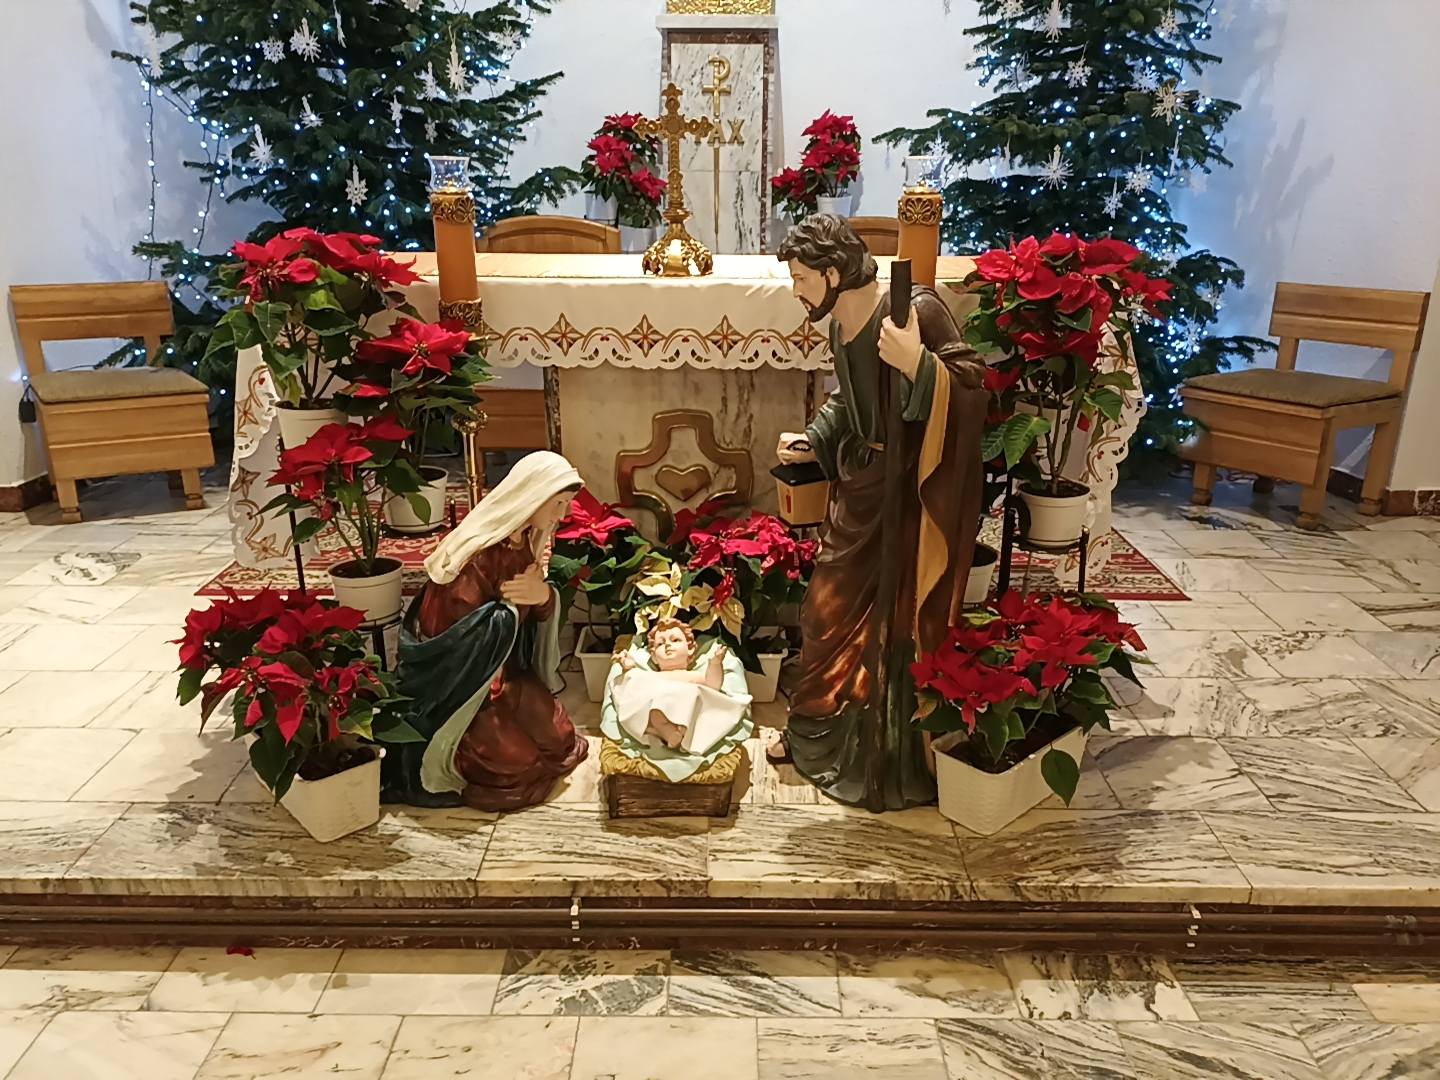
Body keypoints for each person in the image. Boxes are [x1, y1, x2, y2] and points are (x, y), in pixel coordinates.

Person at [771, 214, 989, 812]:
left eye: (800, 278)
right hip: (864, 487)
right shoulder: (840, 323)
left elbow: (974, 390)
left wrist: (920, 364)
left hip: (912, 495)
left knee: (897, 620)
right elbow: (852, 398)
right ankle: (820, 727)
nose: (795, 291)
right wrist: (815, 436)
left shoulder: (915, 310)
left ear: (832, 272)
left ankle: (890, 750)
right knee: (824, 611)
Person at [382, 450, 589, 812]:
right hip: (460, 691)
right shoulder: (472, 557)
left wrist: (543, 598)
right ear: (533, 496)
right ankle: (461, 756)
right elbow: (456, 637)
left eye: (566, 503)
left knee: (560, 739)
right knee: (517, 763)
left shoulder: (523, 542)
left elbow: (526, 615)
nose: (563, 514)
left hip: (504, 677)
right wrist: (513, 609)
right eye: (558, 503)